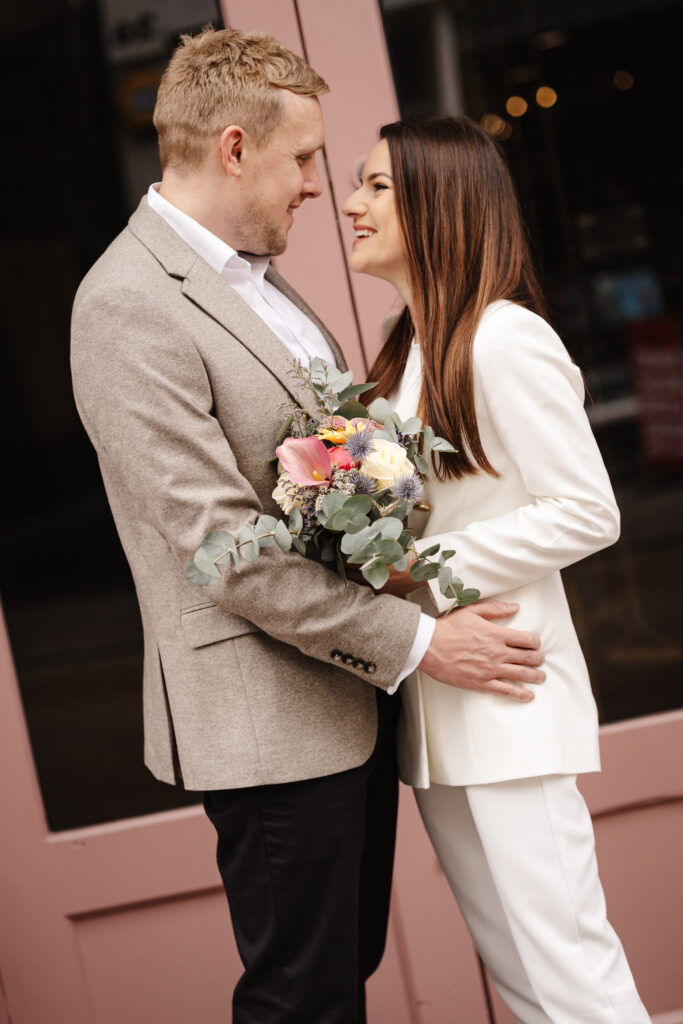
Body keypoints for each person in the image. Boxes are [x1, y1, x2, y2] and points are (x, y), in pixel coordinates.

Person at [70, 30, 545, 1023]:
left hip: (341, 702)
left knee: (340, 971)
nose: (314, 187)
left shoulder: (253, 276)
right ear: (234, 148)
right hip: (267, 723)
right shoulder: (124, 306)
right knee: (301, 998)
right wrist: (420, 641)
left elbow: (326, 467)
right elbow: (222, 550)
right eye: (302, 159)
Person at [342, 115, 650, 1024]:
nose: (351, 204)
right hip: (437, 713)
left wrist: (416, 568)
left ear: (438, 204)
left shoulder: (504, 339)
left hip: (510, 695)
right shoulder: (402, 349)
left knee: (572, 976)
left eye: (376, 186)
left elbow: (587, 510)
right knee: (521, 980)